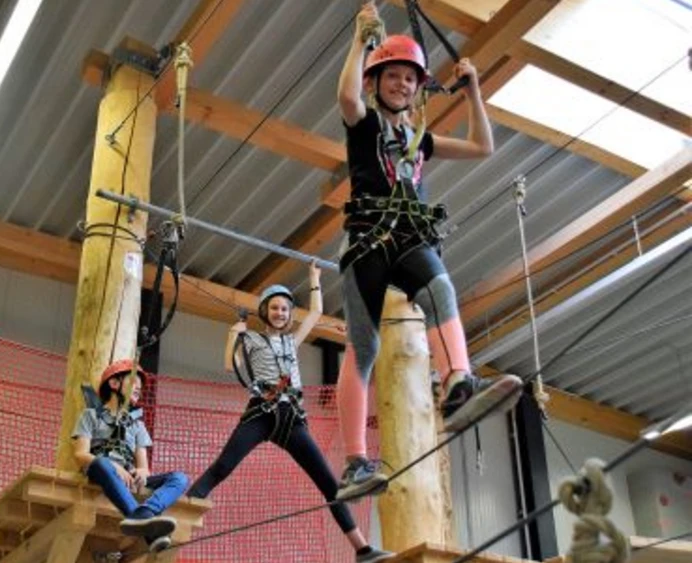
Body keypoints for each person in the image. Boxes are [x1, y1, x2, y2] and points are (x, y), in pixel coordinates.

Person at [334, 2, 522, 501]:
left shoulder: (422, 139)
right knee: (365, 346)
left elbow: (483, 146)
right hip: (369, 239)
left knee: (440, 287)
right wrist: (360, 40)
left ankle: (458, 383)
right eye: (391, 76)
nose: (401, 84)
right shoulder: (365, 125)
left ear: (419, 89)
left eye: (409, 79)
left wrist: (475, 91)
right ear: (378, 83)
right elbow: (346, 95)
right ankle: (354, 461)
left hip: (411, 237)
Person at [187, 263, 394, 563]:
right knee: (222, 467)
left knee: (329, 485)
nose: (281, 313)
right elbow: (231, 365)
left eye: (285, 309)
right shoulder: (253, 340)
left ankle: (362, 548)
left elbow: (314, 313)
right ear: (265, 311)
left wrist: (313, 279)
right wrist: (236, 332)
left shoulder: (291, 342)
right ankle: (181, 512)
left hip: (293, 419)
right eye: (275, 308)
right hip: (261, 412)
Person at [72, 360, 189, 553]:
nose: (138, 389)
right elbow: (80, 454)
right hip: (101, 470)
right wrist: (114, 466)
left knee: (180, 478)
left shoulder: (137, 425)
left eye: (140, 388)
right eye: (133, 383)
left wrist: (141, 472)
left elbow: (143, 466)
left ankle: (146, 511)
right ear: (114, 384)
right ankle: (143, 521)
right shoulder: (91, 415)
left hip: (128, 475)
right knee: (102, 463)